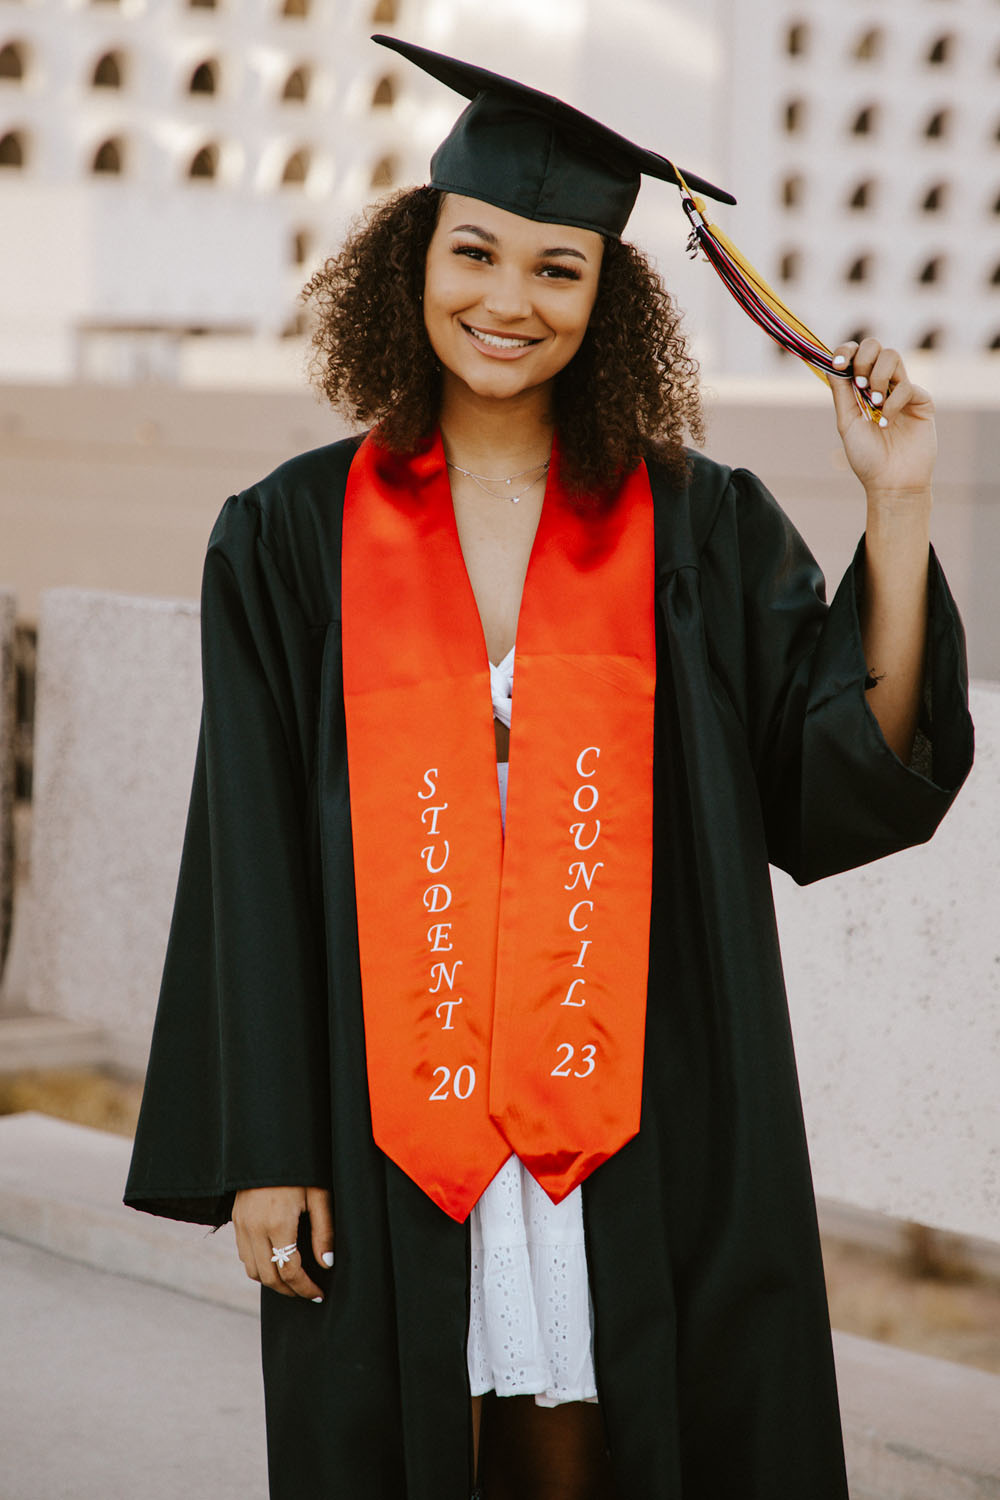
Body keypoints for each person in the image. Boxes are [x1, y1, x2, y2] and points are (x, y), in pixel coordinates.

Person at [125, 35, 974, 1500]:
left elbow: (835, 775)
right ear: (412, 261)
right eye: (475, 253)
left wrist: (894, 509)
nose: (507, 302)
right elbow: (247, 853)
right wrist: (267, 1145)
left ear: (610, 298)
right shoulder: (286, 538)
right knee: (420, 1441)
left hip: (644, 1098)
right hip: (385, 1097)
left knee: (614, 1443)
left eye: (557, 269)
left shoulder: (699, 528)